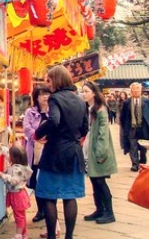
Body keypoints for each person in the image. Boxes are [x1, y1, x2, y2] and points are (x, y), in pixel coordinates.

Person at [35, 66, 88, 239]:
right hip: (74, 152)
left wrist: (39, 133)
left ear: (56, 80)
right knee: (69, 196)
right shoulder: (80, 100)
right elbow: (85, 127)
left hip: (55, 153)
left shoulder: (55, 98)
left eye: (49, 81)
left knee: (48, 195)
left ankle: (51, 236)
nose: (48, 85)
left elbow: (54, 120)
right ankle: (69, 236)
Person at [80, 81, 117, 224]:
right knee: (94, 181)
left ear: (94, 93)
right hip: (89, 149)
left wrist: (100, 153)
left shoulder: (101, 110)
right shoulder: (89, 109)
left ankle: (109, 212)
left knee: (100, 182)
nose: (84, 94)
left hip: (98, 152)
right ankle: (99, 209)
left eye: (86, 91)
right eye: (83, 91)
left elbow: (103, 134)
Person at [23, 84, 52, 223]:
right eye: (42, 94)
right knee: (35, 180)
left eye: (47, 94)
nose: (45, 97)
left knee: (47, 179)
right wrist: (36, 137)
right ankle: (41, 210)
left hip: (49, 149)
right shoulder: (30, 112)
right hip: (34, 150)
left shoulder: (53, 111)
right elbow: (26, 128)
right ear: (36, 97)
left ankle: (49, 210)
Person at [119, 82, 149, 172]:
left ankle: (142, 161)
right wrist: (124, 127)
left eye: (138, 88)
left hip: (143, 127)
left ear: (141, 90)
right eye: (134, 89)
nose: (136, 90)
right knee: (132, 146)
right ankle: (135, 164)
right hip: (132, 128)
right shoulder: (127, 102)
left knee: (143, 147)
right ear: (131, 90)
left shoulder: (147, 101)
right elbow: (123, 116)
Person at [0, 146, 33, 239]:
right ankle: (23, 235)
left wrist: (3, 176)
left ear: (14, 158)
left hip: (17, 195)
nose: (8, 156)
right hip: (19, 194)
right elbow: (6, 153)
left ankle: (18, 235)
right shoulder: (21, 166)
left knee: (19, 216)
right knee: (21, 215)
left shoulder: (17, 169)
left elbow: (14, 181)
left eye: (9, 155)